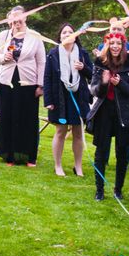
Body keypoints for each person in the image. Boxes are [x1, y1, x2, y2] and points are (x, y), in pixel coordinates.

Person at [86, 33, 129, 200]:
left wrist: (119, 83)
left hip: (124, 114)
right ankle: (99, 190)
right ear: (107, 45)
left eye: (119, 43)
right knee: (101, 153)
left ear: (123, 45)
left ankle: (118, 189)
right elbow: (94, 90)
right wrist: (104, 82)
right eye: (112, 43)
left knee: (122, 153)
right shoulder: (99, 63)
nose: (115, 46)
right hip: (104, 113)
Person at [0, 6, 46, 167]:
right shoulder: (4, 35)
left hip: (28, 83)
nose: (16, 21)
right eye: (13, 19)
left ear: (25, 18)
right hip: (7, 81)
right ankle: (9, 155)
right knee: (8, 117)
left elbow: (41, 61)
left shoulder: (35, 36)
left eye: (19, 18)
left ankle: (29, 156)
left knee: (28, 119)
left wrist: (40, 84)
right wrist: (4, 57)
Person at [43, 23, 93, 177]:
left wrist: (83, 68)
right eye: (64, 32)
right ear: (60, 36)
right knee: (60, 131)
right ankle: (58, 166)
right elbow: (48, 78)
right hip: (60, 98)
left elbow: (92, 75)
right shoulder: (53, 54)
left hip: (79, 97)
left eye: (70, 32)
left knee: (78, 132)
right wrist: (48, 100)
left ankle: (78, 166)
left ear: (75, 35)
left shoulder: (82, 53)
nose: (67, 34)